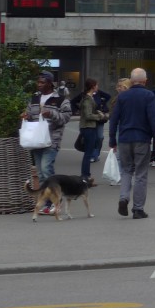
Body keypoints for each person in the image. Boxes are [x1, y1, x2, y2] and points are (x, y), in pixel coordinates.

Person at [108, 67, 155, 220]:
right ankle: (138, 209)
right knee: (140, 174)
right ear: (145, 81)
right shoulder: (148, 95)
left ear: (131, 81)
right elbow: (153, 118)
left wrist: (112, 140)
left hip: (124, 139)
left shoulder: (122, 97)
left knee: (126, 171)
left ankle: (123, 197)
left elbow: (114, 120)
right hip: (142, 139)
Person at [21, 71, 72, 216]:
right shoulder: (34, 98)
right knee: (41, 174)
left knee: (46, 169)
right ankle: (47, 203)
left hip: (51, 140)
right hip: (36, 141)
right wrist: (26, 115)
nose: (39, 85)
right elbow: (30, 113)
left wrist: (51, 114)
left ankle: (55, 201)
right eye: (38, 82)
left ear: (50, 83)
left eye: (42, 82)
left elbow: (66, 117)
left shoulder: (61, 99)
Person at [77, 77, 109, 179]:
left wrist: (98, 112)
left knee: (89, 151)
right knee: (88, 152)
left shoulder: (88, 98)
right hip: (88, 127)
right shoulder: (87, 99)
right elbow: (88, 115)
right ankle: (85, 175)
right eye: (96, 85)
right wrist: (99, 116)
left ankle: (86, 174)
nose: (97, 87)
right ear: (93, 87)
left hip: (88, 127)